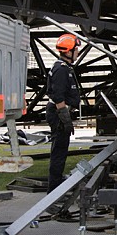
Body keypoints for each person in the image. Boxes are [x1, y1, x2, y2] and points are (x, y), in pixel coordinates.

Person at [45, 34, 81, 193]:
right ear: (68, 52)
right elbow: (58, 95)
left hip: (60, 113)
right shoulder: (61, 70)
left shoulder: (64, 68)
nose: (78, 52)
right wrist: (65, 116)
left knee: (61, 150)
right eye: (76, 49)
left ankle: (57, 184)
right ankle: (54, 189)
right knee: (59, 152)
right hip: (58, 113)